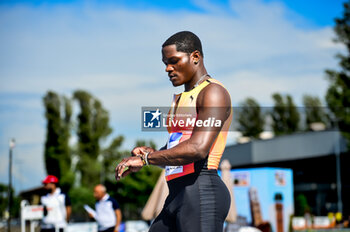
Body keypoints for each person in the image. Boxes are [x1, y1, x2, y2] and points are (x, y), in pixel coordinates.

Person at [115, 31, 233, 232]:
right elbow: (178, 148)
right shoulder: (181, 99)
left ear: (195, 57)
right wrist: (150, 153)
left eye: (174, 61)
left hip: (202, 191)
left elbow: (197, 148)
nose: (168, 68)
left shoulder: (213, 92)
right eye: (165, 63)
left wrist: (147, 159)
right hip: (176, 194)